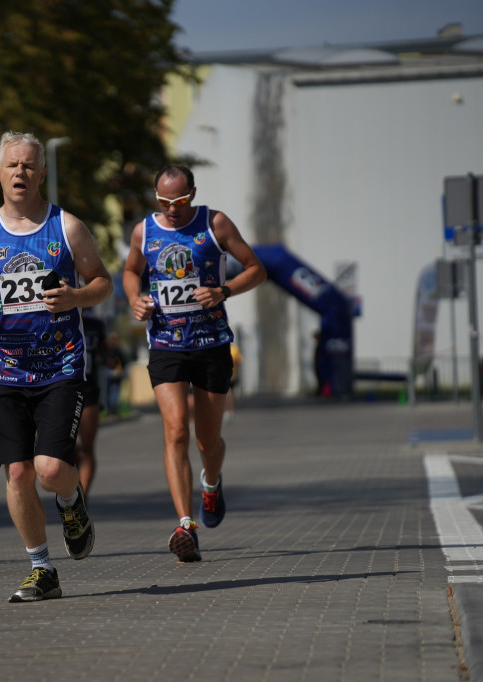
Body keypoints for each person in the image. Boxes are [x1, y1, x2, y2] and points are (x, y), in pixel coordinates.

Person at [0, 131, 113, 602]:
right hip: (3, 367)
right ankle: (41, 568)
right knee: (18, 474)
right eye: (13, 165)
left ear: (42, 173)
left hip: (59, 367)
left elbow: (103, 282)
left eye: (29, 166)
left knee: (49, 469)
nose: (21, 173)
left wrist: (76, 296)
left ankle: (71, 501)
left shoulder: (67, 227)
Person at [122, 165, 265, 563]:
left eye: (180, 201)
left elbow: (257, 269)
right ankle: (185, 524)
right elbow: (131, 271)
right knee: (175, 432)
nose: (172, 210)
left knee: (208, 440)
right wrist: (134, 298)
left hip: (211, 342)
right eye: (164, 202)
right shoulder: (143, 231)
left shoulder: (214, 223)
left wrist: (223, 290)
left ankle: (212, 481)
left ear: (193, 194)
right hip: (166, 343)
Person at [76, 311, 108, 495]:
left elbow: (104, 351)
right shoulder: (52, 316)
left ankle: (83, 497)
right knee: (66, 448)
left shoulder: (96, 325)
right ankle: (71, 486)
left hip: (89, 389)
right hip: (61, 389)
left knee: (88, 447)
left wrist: (110, 357)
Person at [103, 331, 128, 416]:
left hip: (108, 372)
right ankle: (114, 411)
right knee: (115, 392)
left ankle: (109, 411)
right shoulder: (117, 349)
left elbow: (103, 360)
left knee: (109, 392)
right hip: (117, 372)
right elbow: (123, 360)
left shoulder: (107, 349)